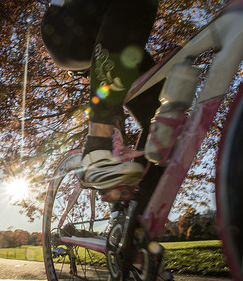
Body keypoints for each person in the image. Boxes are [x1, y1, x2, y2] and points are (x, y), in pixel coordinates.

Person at [41, 1, 188, 281]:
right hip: (68, 24)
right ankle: (97, 146)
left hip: (112, 29)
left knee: (166, 119)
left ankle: (136, 243)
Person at [41, 0, 162, 190]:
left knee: (162, 111)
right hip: (65, 27)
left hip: (107, 30)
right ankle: (97, 149)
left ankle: (140, 203)